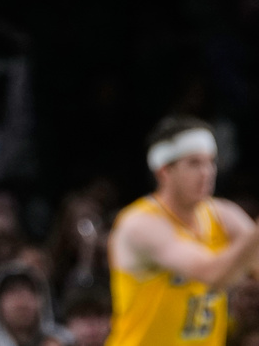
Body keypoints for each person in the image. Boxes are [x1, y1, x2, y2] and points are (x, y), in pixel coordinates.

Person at [105, 115, 259, 346]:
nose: (207, 172)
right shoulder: (140, 224)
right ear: (164, 171)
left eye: (210, 162)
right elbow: (213, 275)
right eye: (194, 163)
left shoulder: (223, 215)